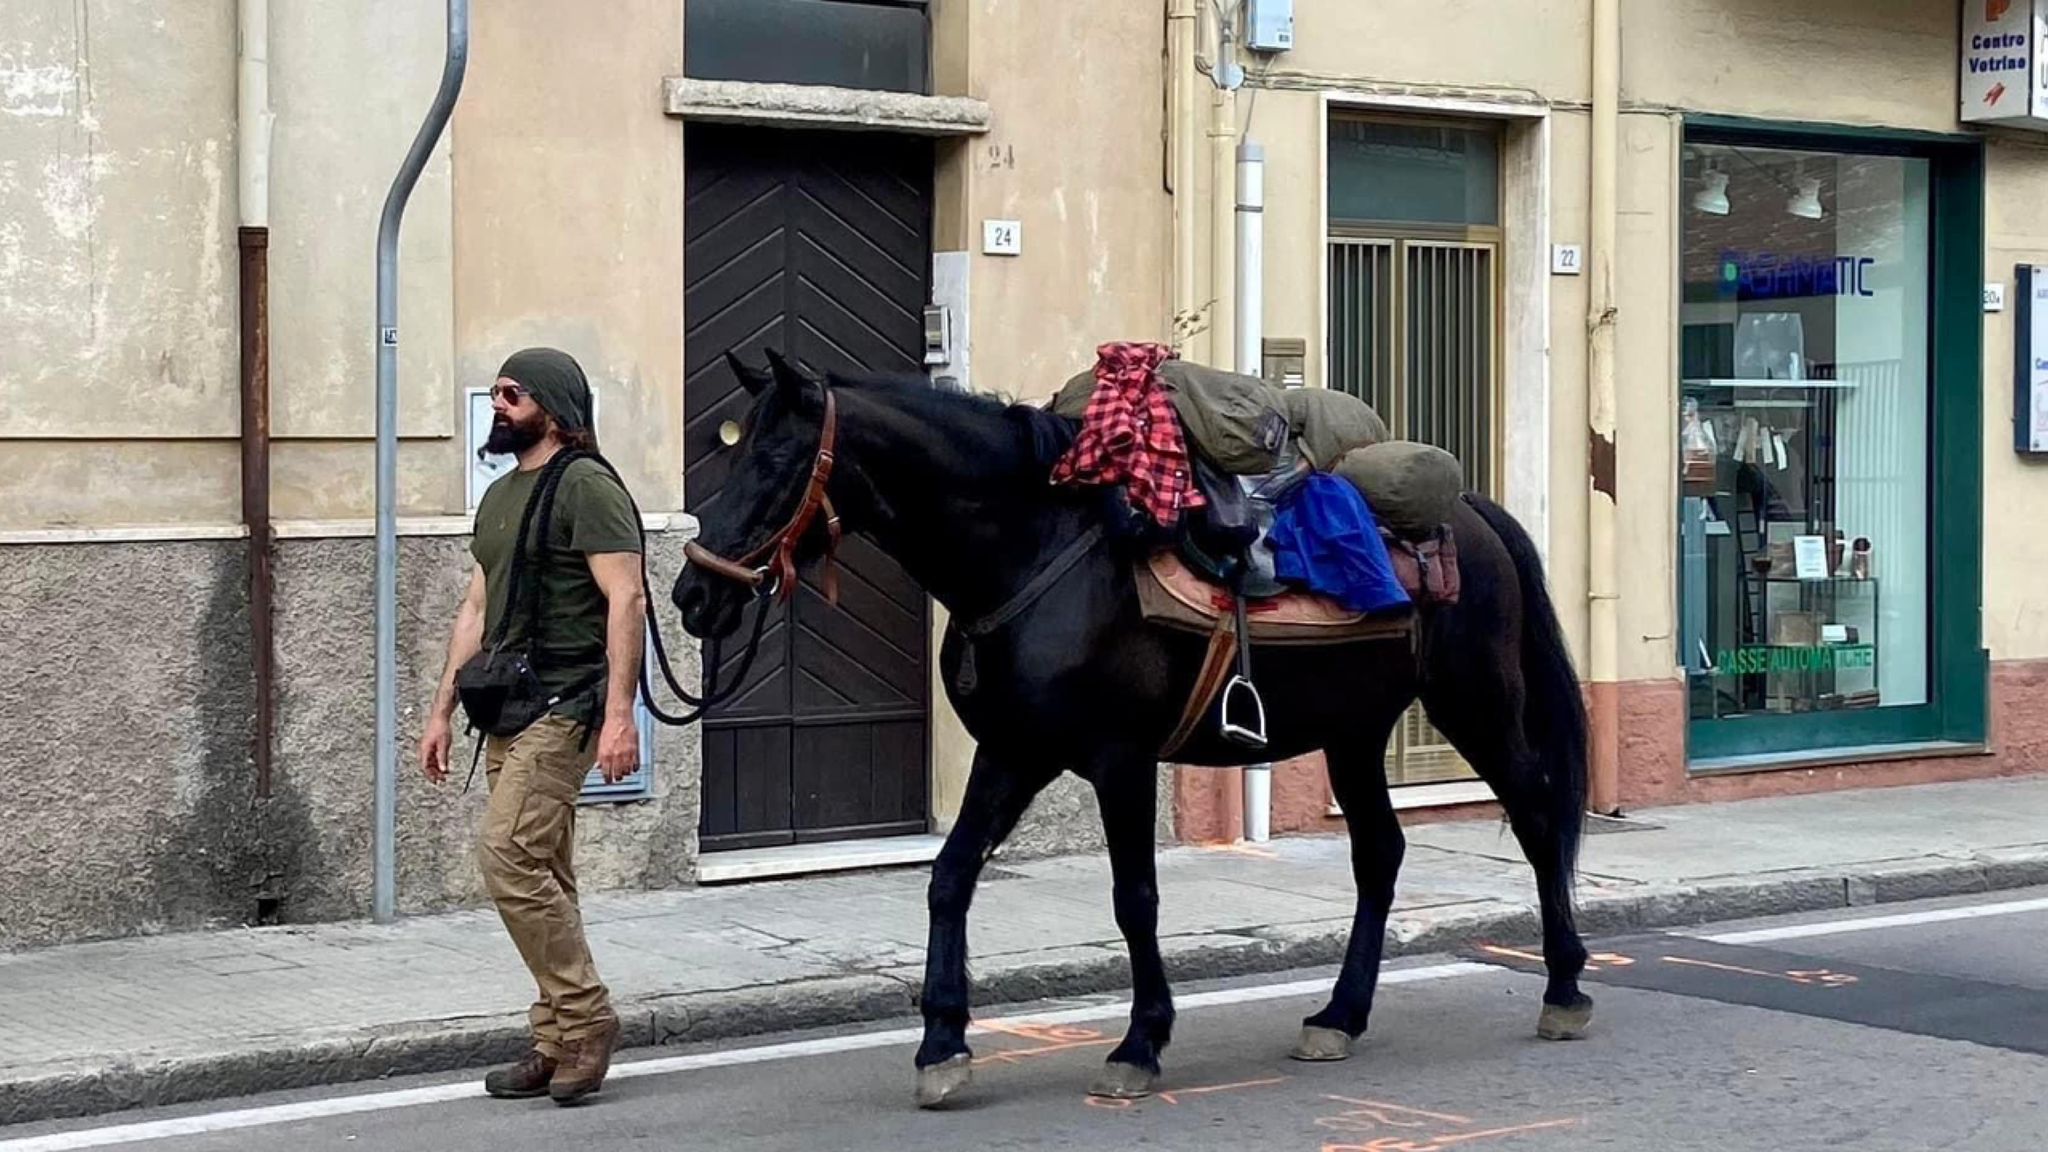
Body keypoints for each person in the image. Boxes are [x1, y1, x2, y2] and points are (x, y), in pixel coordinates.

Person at [419, 346, 646, 1105]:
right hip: (506, 709)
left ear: (552, 405)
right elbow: (476, 608)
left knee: (507, 855)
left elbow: (627, 601)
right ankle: (554, 1039)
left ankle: (586, 1019)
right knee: (543, 870)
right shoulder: (499, 496)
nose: (500, 405)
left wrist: (621, 719)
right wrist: (441, 709)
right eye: (497, 393)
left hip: (568, 705)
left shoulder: (587, 487)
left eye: (514, 394)